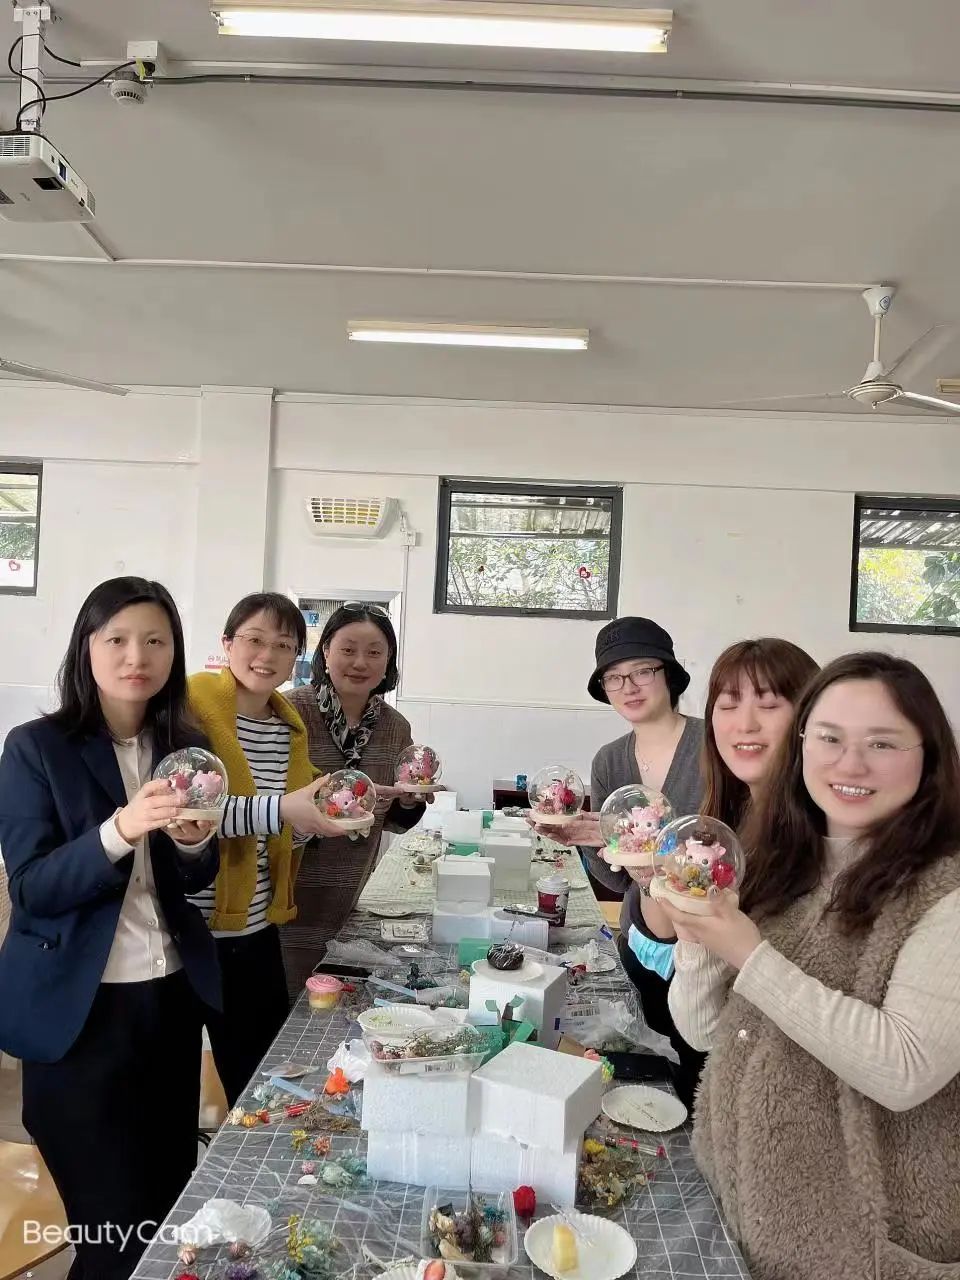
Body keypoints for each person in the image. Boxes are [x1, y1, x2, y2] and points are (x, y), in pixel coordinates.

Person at [666, 653, 960, 1280]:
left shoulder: (945, 892)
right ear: (802, 747)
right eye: (829, 738)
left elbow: (904, 1068)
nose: (850, 765)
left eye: (882, 743)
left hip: (853, 1251)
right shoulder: (781, 859)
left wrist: (749, 953)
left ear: (929, 756)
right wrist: (697, 936)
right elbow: (706, 1032)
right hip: (737, 1218)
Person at [0, 577, 221, 1280]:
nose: (137, 656)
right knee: (109, 1234)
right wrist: (120, 830)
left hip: (169, 1002)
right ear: (86, 647)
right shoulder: (36, 747)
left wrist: (193, 843)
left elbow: (192, 878)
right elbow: (33, 887)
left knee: (164, 1213)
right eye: (118, 639)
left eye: (156, 641)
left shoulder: (184, 749)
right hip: (80, 1015)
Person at [186, 592, 341, 1106]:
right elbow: (190, 810)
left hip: (254, 928)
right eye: (254, 639)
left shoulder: (286, 728)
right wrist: (283, 810)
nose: (267, 655)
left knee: (261, 1079)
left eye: (284, 645)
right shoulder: (191, 711)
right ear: (227, 643)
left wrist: (317, 823)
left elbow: (283, 827)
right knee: (168, 1081)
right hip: (185, 929)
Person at [546, 617, 704, 1105]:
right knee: (652, 1078)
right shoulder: (610, 760)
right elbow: (613, 880)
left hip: (706, 946)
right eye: (614, 678)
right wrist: (581, 837)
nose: (628, 687)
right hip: (642, 939)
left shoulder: (713, 747)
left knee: (700, 1075)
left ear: (668, 675)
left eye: (642, 672)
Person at [283, 603, 428, 993]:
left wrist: (410, 801)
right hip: (286, 894)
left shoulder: (395, 727)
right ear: (326, 652)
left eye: (374, 652)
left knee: (333, 1000)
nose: (360, 662)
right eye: (348, 649)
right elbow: (268, 804)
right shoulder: (291, 712)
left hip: (350, 891)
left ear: (388, 661)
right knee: (283, 1000)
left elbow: (395, 819)